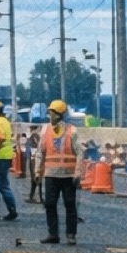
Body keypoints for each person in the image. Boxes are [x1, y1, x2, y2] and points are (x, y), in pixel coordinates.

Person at [38, 99, 80, 245]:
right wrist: (38, 171)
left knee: (69, 204)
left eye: (52, 112)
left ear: (59, 114)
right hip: (51, 174)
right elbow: (40, 152)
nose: (50, 114)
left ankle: (71, 234)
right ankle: (53, 234)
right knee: (50, 204)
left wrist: (78, 173)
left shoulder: (72, 131)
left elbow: (80, 153)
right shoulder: (45, 130)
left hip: (68, 175)